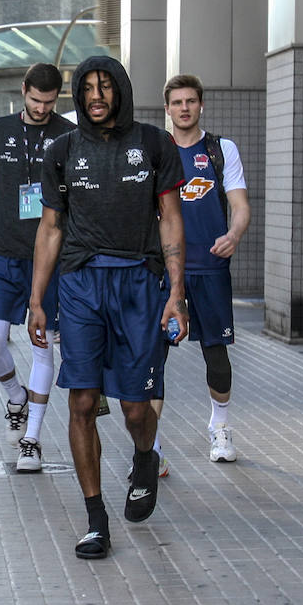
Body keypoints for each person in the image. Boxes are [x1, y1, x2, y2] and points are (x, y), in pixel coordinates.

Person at [28, 55, 188, 560]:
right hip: (80, 286)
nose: (96, 97)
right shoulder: (61, 152)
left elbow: (170, 219)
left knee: (136, 409)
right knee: (80, 402)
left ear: (120, 90)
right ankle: (95, 518)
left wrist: (176, 294)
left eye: (105, 88)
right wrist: (36, 299)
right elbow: (50, 228)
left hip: (140, 284)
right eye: (88, 89)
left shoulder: (154, 144)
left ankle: (145, 454)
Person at [0, 63, 75, 472]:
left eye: (49, 101)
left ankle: (32, 439)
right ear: (23, 91)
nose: (41, 108)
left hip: (49, 259)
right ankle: (16, 396)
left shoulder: (67, 135)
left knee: (44, 345)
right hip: (4, 254)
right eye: (35, 99)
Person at [157, 74, 251, 463]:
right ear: (167, 108)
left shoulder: (220, 150)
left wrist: (235, 233)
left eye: (190, 101)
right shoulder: (156, 152)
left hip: (210, 268)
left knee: (217, 356)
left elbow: (241, 205)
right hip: (164, 272)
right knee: (152, 356)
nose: (184, 108)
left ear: (201, 105)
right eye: (177, 102)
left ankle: (220, 427)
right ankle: (151, 448)